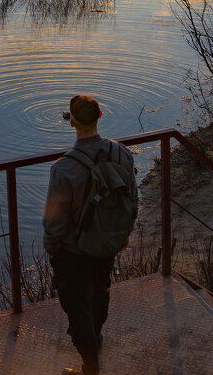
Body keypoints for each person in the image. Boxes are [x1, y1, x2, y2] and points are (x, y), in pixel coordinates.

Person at [43, 95, 137, 375]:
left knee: (76, 306)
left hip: (73, 250)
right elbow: (132, 199)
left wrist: (52, 249)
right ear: (99, 116)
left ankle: (90, 365)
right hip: (107, 241)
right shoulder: (122, 153)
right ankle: (94, 341)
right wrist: (123, 233)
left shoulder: (62, 168)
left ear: (72, 122)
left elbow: (54, 220)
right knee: (99, 291)